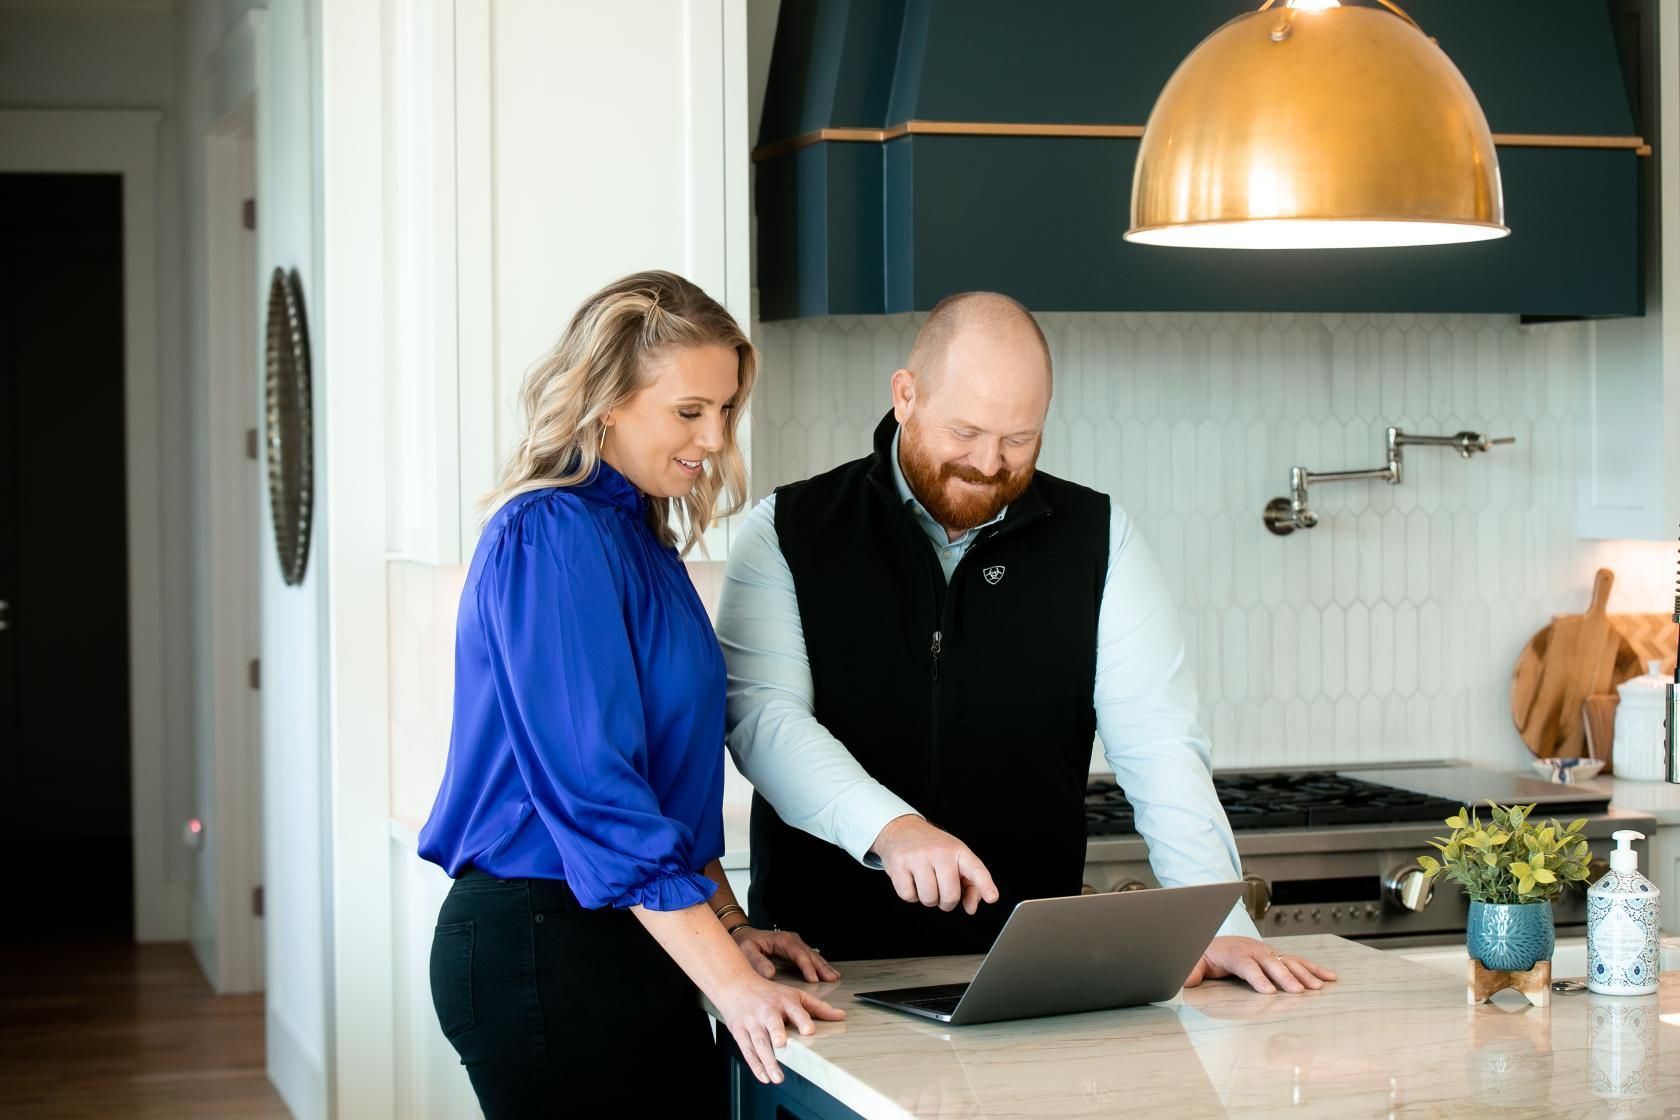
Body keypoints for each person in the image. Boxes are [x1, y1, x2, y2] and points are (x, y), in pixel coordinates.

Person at [716, 290, 1337, 994]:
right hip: (821, 965)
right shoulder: (791, 531)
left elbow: (1159, 743)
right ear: (906, 395)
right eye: (967, 432)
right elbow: (764, 719)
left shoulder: (1098, 539)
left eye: (1020, 440)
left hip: (1026, 969)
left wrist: (1220, 917)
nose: (989, 463)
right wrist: (891, 828)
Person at [418, 271, 843, 1117]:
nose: (716, 437)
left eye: (726, 410)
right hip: (544, 939)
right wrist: (729, 979)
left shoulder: (643, 542)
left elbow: (665, 793)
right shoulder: (549, 533)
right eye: (689, 411)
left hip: (632, 936)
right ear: (607, 403)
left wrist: (731, 928)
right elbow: (597, 792)